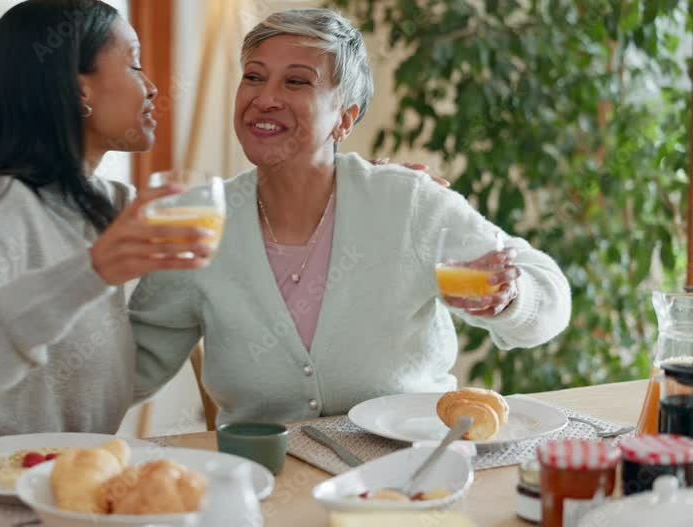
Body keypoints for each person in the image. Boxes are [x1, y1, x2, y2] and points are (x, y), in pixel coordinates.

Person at [130, 9, 571, 425]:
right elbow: (129, 370)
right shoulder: (198, 224)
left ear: (344, 118)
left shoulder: (404, 202)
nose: (265, 99)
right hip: (263, 477)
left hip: (408, 470)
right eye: (253, 77)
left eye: (296, 82)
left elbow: (550, 299)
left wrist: (510, 296)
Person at [0, 0, 216, 455]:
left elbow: (103, 373)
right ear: (77, 88)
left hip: (66, 481)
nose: (150, 87)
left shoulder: (110, 205)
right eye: (134, 64)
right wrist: (92, 271)